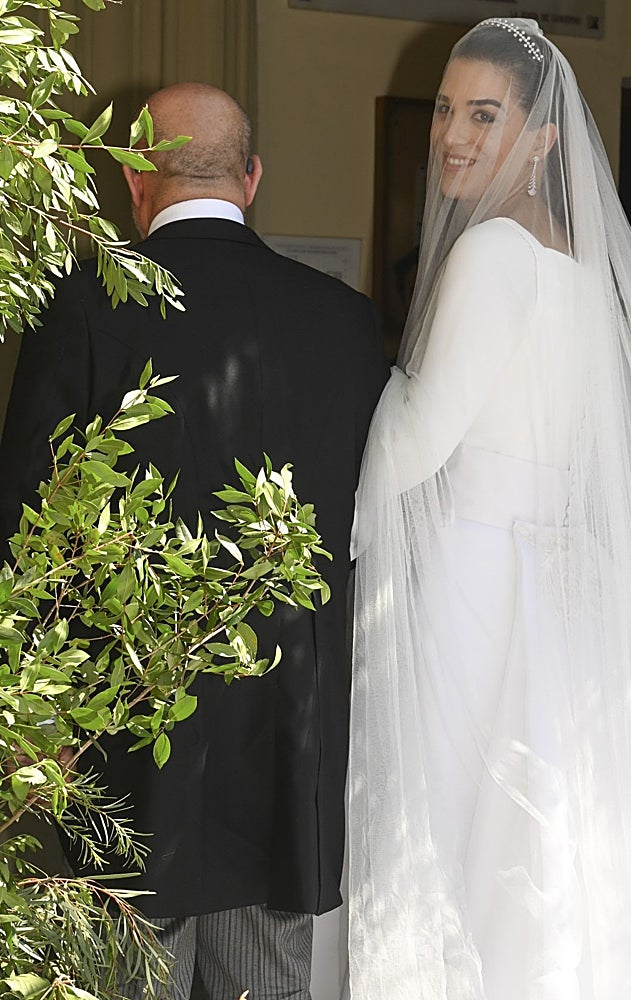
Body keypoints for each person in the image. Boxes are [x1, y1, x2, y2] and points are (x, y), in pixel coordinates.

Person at [347, 19, 631, 1000]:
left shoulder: (489, 251)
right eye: (446, 109)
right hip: (561, 568)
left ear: (540, 138)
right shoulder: (575, 267)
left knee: (468, 835)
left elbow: (418, 435)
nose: (452, 133)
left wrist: (351, 476)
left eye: (483, 115)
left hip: (478, 569)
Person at [0, 82, 387, 1000]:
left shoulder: (82, 310)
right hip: (286, 749)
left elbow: (26, 529)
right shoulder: (345, 324)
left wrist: (34, 726)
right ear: (251, 178)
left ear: (138, 184)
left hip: (130, 750)